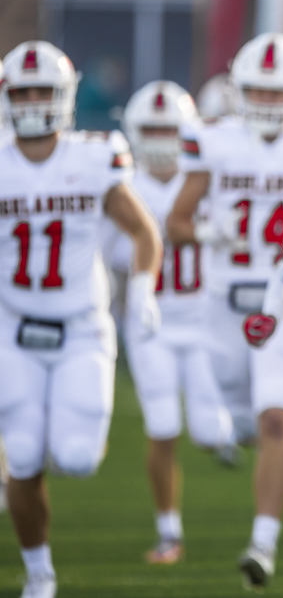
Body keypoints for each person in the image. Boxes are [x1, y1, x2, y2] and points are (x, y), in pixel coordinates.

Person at [0, 41, 162, 598]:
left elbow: (143, 231)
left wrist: (142, 289)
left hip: (81, 327)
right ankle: (39, 573)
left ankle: (42, 432)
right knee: (24, 455)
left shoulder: (93, 156)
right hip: (13, 325)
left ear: (64, 96)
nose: (32, 102)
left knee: (76, 458)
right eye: (23, 92)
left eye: (42, 90)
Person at [167, 32, 283, 588]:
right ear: (238, 90)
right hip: (223, 302)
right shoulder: (215, 140)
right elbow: (176, 224)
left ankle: (263, 543)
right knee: (239, 424)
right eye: (258, 90)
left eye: (279, 92)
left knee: (275, 416)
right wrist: (209, 231)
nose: (269, 102)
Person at [109, 80, 233, 564]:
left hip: (204, 321)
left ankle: (228, 435)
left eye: (170, 130)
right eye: (152, 129)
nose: (161, 140)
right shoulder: (123, 187)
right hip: (152, 322)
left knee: (209, 432)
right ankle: (169, 532)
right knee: (161, 425)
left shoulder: (206, 180)